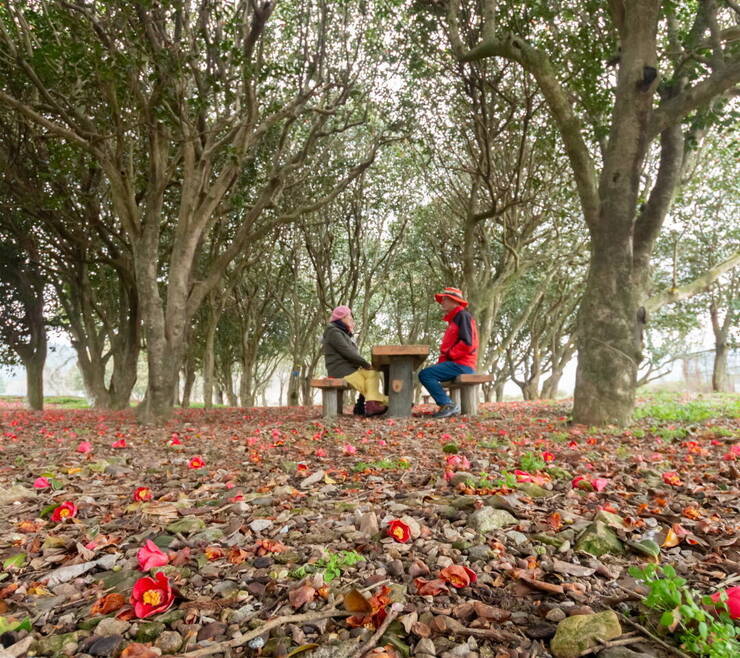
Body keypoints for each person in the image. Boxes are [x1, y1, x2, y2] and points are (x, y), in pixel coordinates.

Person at [419, 287, 478, 418]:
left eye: (445, 299)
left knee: (425, 374)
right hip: (458, 364)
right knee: (429, 374)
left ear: (454, 301)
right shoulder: (455, 318)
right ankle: (447, 405)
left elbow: (467, 343)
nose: (442, 302)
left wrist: (450, 355)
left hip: (463, 365)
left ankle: (448, 405)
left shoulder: (462, 316)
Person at [322, 305, 388, 417]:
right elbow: (347, 352)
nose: (352, 320)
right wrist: (365, 364)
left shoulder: (344, 333)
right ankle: (391, 402)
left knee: (373, 373)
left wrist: (365, 366)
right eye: (349, 318)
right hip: (342, 371)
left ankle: (369, 405)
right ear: (342, 318)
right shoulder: (333, 332)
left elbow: (352, 353)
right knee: (368, 389)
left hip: (352, 369)